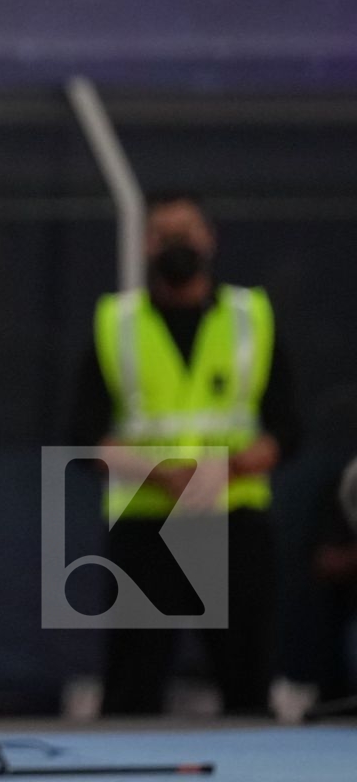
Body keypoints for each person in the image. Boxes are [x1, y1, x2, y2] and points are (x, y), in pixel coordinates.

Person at [70, 190, 300, 715]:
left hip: (232, 520)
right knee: (133, 686)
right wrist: (160, 474)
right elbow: (86, 439)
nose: (178, 245)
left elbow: (287, 432)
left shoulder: (252, 317)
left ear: (209, 239)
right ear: (147, 245)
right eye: (165, 235)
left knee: (248, 684)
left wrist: (230, 467)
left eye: (187, 233)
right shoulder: (116, 323)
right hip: (145, 523)